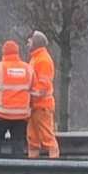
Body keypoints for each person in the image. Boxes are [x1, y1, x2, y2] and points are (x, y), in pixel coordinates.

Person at [0, 40, 33, 157]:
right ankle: (17, 171)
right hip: (21, 116)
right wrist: (29, 108)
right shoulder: (28, 69)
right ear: (17, 52)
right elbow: (34, 91)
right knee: (18, 146)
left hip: (0, 114)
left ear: (3, 53)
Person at [26, 30, 60, 158]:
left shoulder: (43, 60)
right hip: (35, 107)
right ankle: (33, 169)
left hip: (42, 106)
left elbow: (43, 86)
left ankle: (54, 166)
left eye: (29, 41)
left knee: (48, 138)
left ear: (36, 42)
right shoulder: (36, 58)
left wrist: (29, 95)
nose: (27, 44)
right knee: (32, 140)